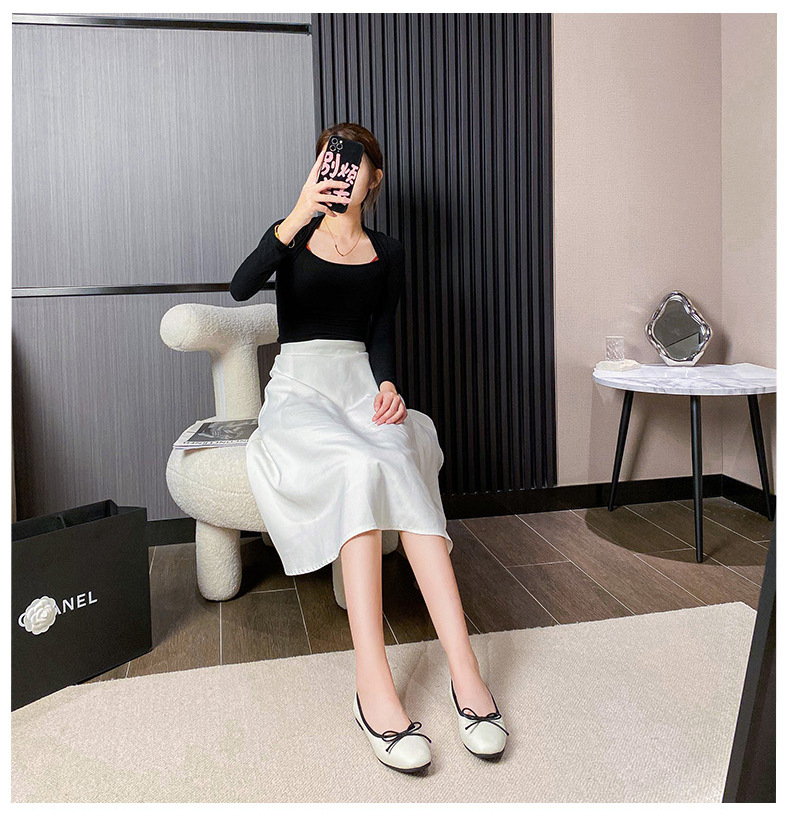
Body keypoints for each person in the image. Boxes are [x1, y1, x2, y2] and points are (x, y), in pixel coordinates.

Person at [230, 123, 508, 773]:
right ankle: (372, 686)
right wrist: (298, 212)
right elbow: (241, 287)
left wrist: (387, 384)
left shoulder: (389, 251)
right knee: (357, 465)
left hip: (361, 387)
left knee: (396, 455)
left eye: (352, 163)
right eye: (329, 160)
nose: (340, 171)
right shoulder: (292, 235)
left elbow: (381, 332)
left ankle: (466, 673)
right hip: (301, 390)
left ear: (373, 178)